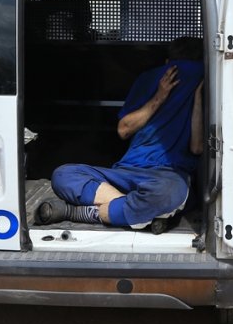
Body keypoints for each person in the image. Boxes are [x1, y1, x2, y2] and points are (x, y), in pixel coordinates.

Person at [36, 37, 205, 229]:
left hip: (168, 175)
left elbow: (197, 147)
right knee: (63, 174)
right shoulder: (151, 80)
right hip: (126, 171)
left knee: (166, 194)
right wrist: (159, 97)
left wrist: (198, 99)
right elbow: (124, 130)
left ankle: (79, 213)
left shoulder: (203, 84)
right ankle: (140, 213)